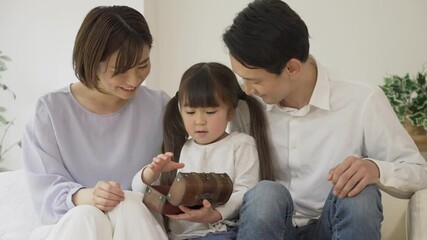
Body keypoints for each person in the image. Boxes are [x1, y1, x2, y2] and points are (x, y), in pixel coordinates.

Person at [222, 0, 427, 239]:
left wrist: (376, 168)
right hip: (272, 228)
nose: (246, 89)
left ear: (291, 69)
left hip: (332, 228)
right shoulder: (245, 105)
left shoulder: (361, 99)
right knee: (265, 195)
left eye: (255, 80)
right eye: (242, 78)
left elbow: (419, 172)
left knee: (359, 194)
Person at [22, 6, 170, 240]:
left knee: (129, 205)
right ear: (92, 62)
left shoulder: (160, 106)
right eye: (120, 70)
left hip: (136, 223)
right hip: (75, 225)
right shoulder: (50, 111)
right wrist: (89, 197)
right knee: (88, 216)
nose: (134, 80)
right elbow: (45, 191)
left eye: (142, 65)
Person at [133, 62, 274, 240]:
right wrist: (151, 172)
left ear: (230, 112)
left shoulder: (241, 144)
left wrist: (215, 214)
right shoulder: (181, 148)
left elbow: (246, 193)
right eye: (190, 112)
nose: (199, 121)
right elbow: (138, 190)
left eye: (210, 112)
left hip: (222, 232)